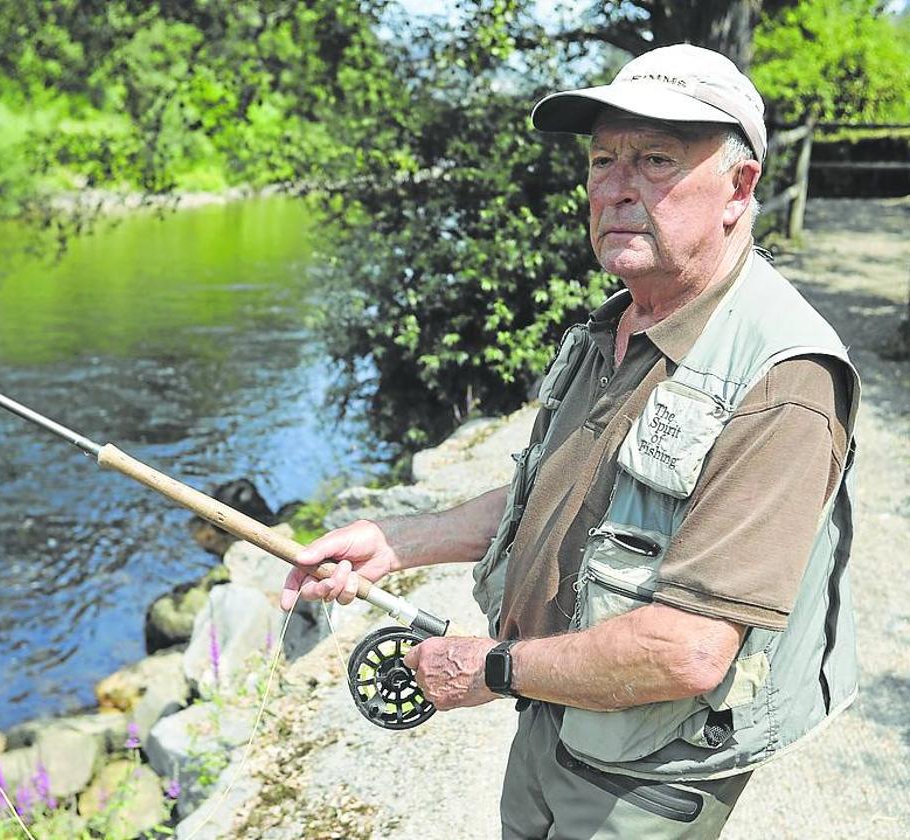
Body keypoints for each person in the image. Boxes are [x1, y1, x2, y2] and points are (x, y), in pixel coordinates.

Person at [280, 44, 860, 839]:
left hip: (651, 772)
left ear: (740, 186)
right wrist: (394, 542)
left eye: (655, 160)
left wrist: (490, 668)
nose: (616, 188)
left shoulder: (784, 378)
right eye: (601, 160)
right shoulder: (617, 325)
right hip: (557, 710)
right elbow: (549, 495)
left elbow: (689, 652)